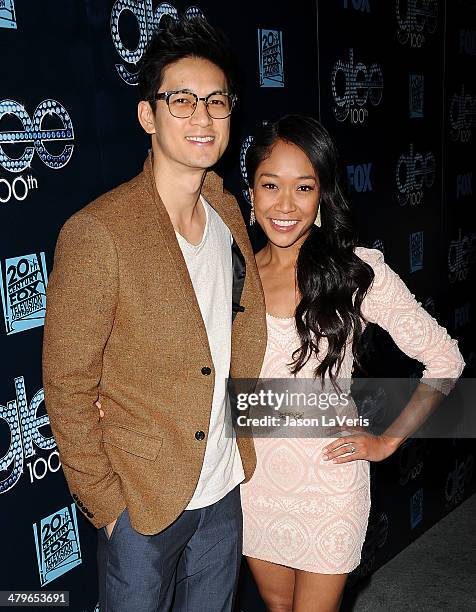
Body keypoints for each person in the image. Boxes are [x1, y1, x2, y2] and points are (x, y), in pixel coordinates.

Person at [42, 16, 266, 612]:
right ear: (149, 116)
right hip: (141, 505)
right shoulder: (100, 233)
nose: (202, 116)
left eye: (216, 102)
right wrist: (106, 502)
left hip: (223, 488)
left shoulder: (227, 213)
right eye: (183, 100)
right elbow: (66, 383)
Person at [238, 114, 465, 612]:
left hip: (329, 482)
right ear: (251, 192)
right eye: (270, 185)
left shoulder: (357, 274)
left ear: (322, 196)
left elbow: (445, 358)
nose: (284, 205)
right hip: (256, 483)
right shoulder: (233, 278)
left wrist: (387, 442)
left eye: (303, 187)